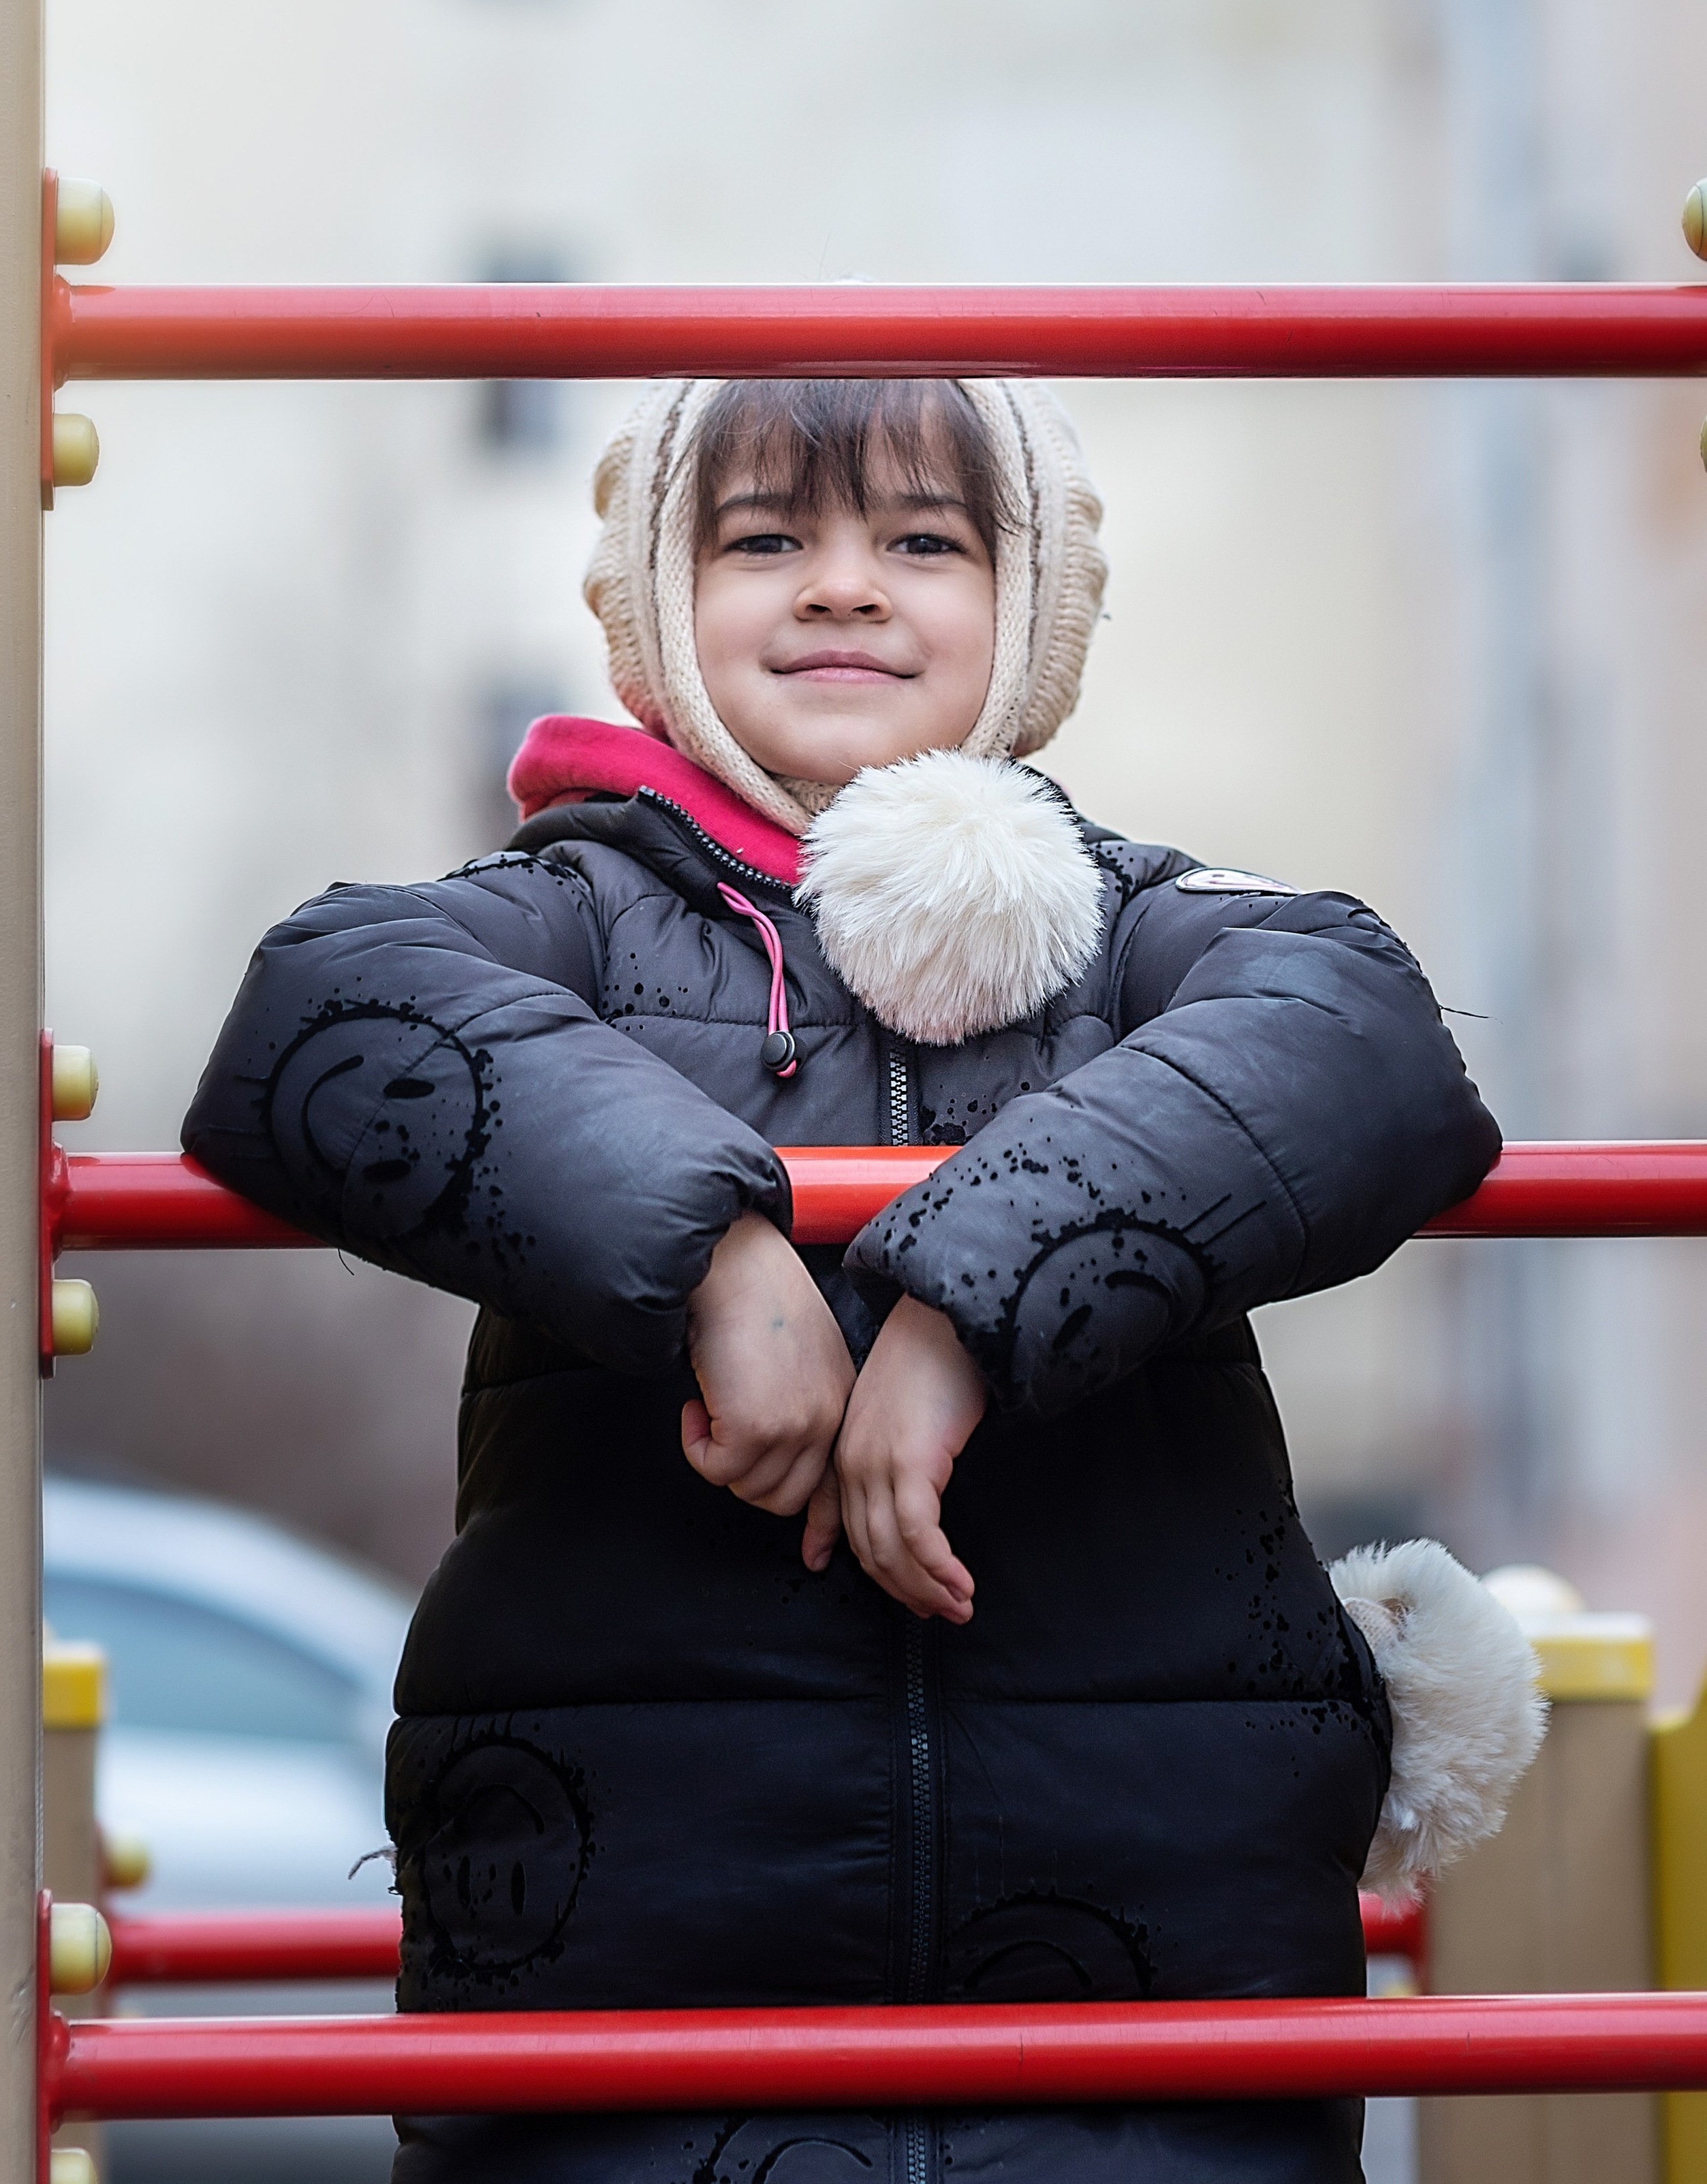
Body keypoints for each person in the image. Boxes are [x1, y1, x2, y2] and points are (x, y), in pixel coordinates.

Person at [185, 375, 1540, 2184]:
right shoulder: (573, 922)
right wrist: (719, 1260)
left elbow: (1367, 1043)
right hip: (642, 1977)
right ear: (665, 612)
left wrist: (976, 1298)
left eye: (922, 540)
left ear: (1032, 606)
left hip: (1148, 1986)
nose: (843, 587)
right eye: (766, 541)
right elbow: (321, 1004)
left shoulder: (1133, 931)